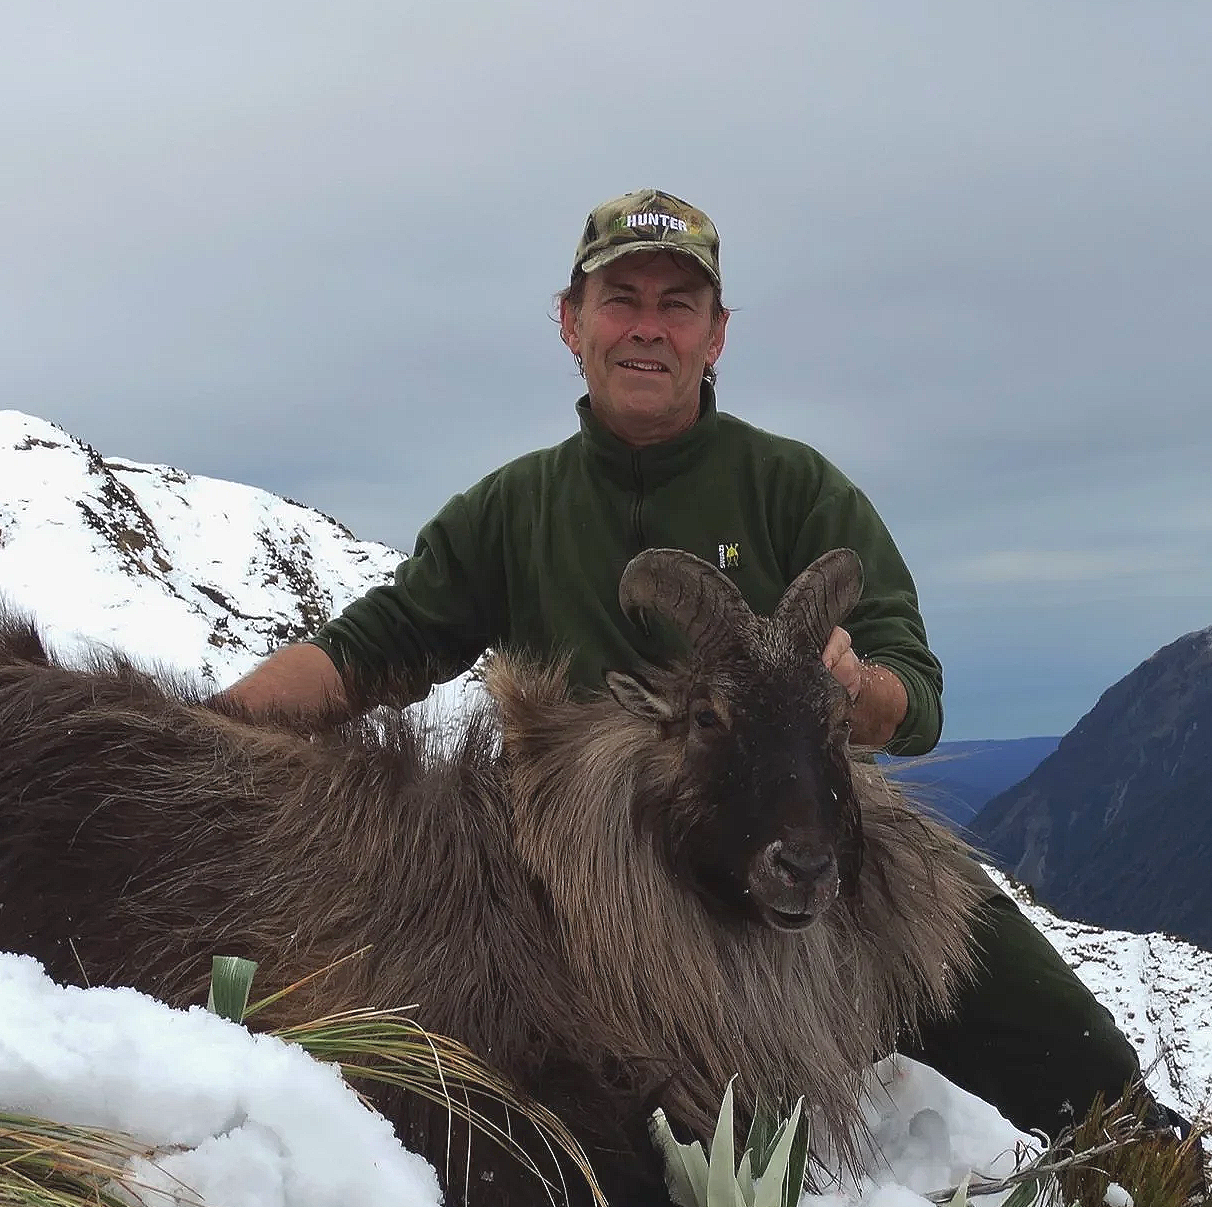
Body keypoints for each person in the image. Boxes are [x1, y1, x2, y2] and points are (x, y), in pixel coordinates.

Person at [222, 189, 1148, 1137]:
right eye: (622, 299)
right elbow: (367, 652)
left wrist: (855, 688)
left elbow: (911, 700)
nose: (648, 330)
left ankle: (1146, 1166)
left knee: (1076, 1057)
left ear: (717, 335)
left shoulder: (793, 488)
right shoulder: (512, 509)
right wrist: (214, 728)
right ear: (570, 321)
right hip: (582, 881)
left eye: (679, 305)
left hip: (798, 829)